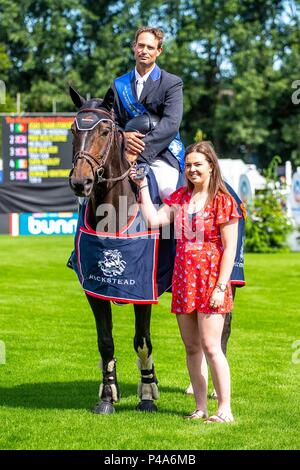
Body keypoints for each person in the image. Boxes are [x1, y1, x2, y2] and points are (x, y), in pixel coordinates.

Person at [130, 141, 241, 424]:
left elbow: (230, 248)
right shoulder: (179, 198)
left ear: (211, 167)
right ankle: (200, 407)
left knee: (211, 346)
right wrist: (142, 185)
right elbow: (154, 219)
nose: (191, 169)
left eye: (198, 165)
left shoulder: (223, 201)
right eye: (188, 165)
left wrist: (220, 287)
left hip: (210, 280)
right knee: (192, 347)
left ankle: (224, 408)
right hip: (184, 280)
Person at [103, 26, 185, 201]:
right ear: (134, 47)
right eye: (141, 46)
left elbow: (170, 125)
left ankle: (173, 229)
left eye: (150, 47)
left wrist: (139, 151)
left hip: (160, 153)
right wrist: (123, 137)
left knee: (168, 192)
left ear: (159, 51)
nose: (144, 51)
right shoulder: (118, 85)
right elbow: (111, 122)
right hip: (123, 152)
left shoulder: (171, 83)